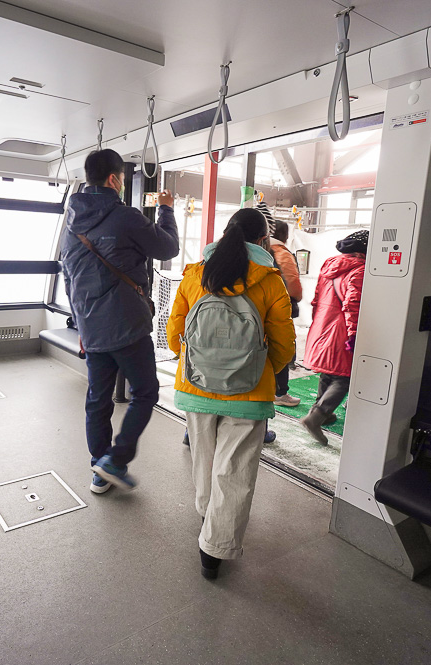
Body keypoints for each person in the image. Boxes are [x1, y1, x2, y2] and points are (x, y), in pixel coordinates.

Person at [166, 209, 294, 579]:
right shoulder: (271, 281)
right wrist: (258, 368)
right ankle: (214, 550)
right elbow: (284, 345)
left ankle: (207, 513)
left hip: (196, 386)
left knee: (203, 459)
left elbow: (175, 333)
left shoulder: (195, 274)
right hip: (249, 393)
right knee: (234, 471)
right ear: (262, 240)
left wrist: (199, 364)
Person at [60, 149, 179, 493]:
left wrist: (82, 322)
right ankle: (116, 459)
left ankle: (99, 468)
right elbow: (168, 248)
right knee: (145, 392)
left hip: (92, 326)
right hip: (127, 325)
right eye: (123, 178)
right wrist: (166, 209)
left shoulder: (70, 224)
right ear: (114, 179)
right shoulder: (125, 217)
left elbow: (68, 276)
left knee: (98, 400)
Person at [301, 229, 367, 444]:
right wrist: (354, 333)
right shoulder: (361, 270)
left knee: (328, 371)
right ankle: (317, 416)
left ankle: (321, 411)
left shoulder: (330, 265)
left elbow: (316, 299)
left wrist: (318, 323)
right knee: (345, 377)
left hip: (323, 324)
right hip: (341, 330)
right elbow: (353, 305)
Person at [270, 219, 303, 408]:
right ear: (284, 235)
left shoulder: (256, 252)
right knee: (282, 346)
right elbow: (293, 286)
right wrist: (297, 298)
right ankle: (280, 392)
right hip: (281, 308)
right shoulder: (282, 254)